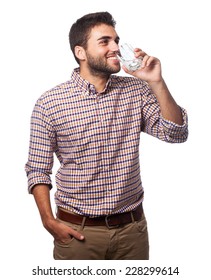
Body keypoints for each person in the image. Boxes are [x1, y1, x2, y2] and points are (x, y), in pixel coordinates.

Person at [25, 11, 188, 260]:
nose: (116, 48)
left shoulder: (136, 90)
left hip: (132, 232)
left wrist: (157, 82)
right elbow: (37, 168)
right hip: (77, 234)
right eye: (105, 42)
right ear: (81, 52)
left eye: (116, 40)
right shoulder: (50, 103)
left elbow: (175, 133)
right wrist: (48, 221)